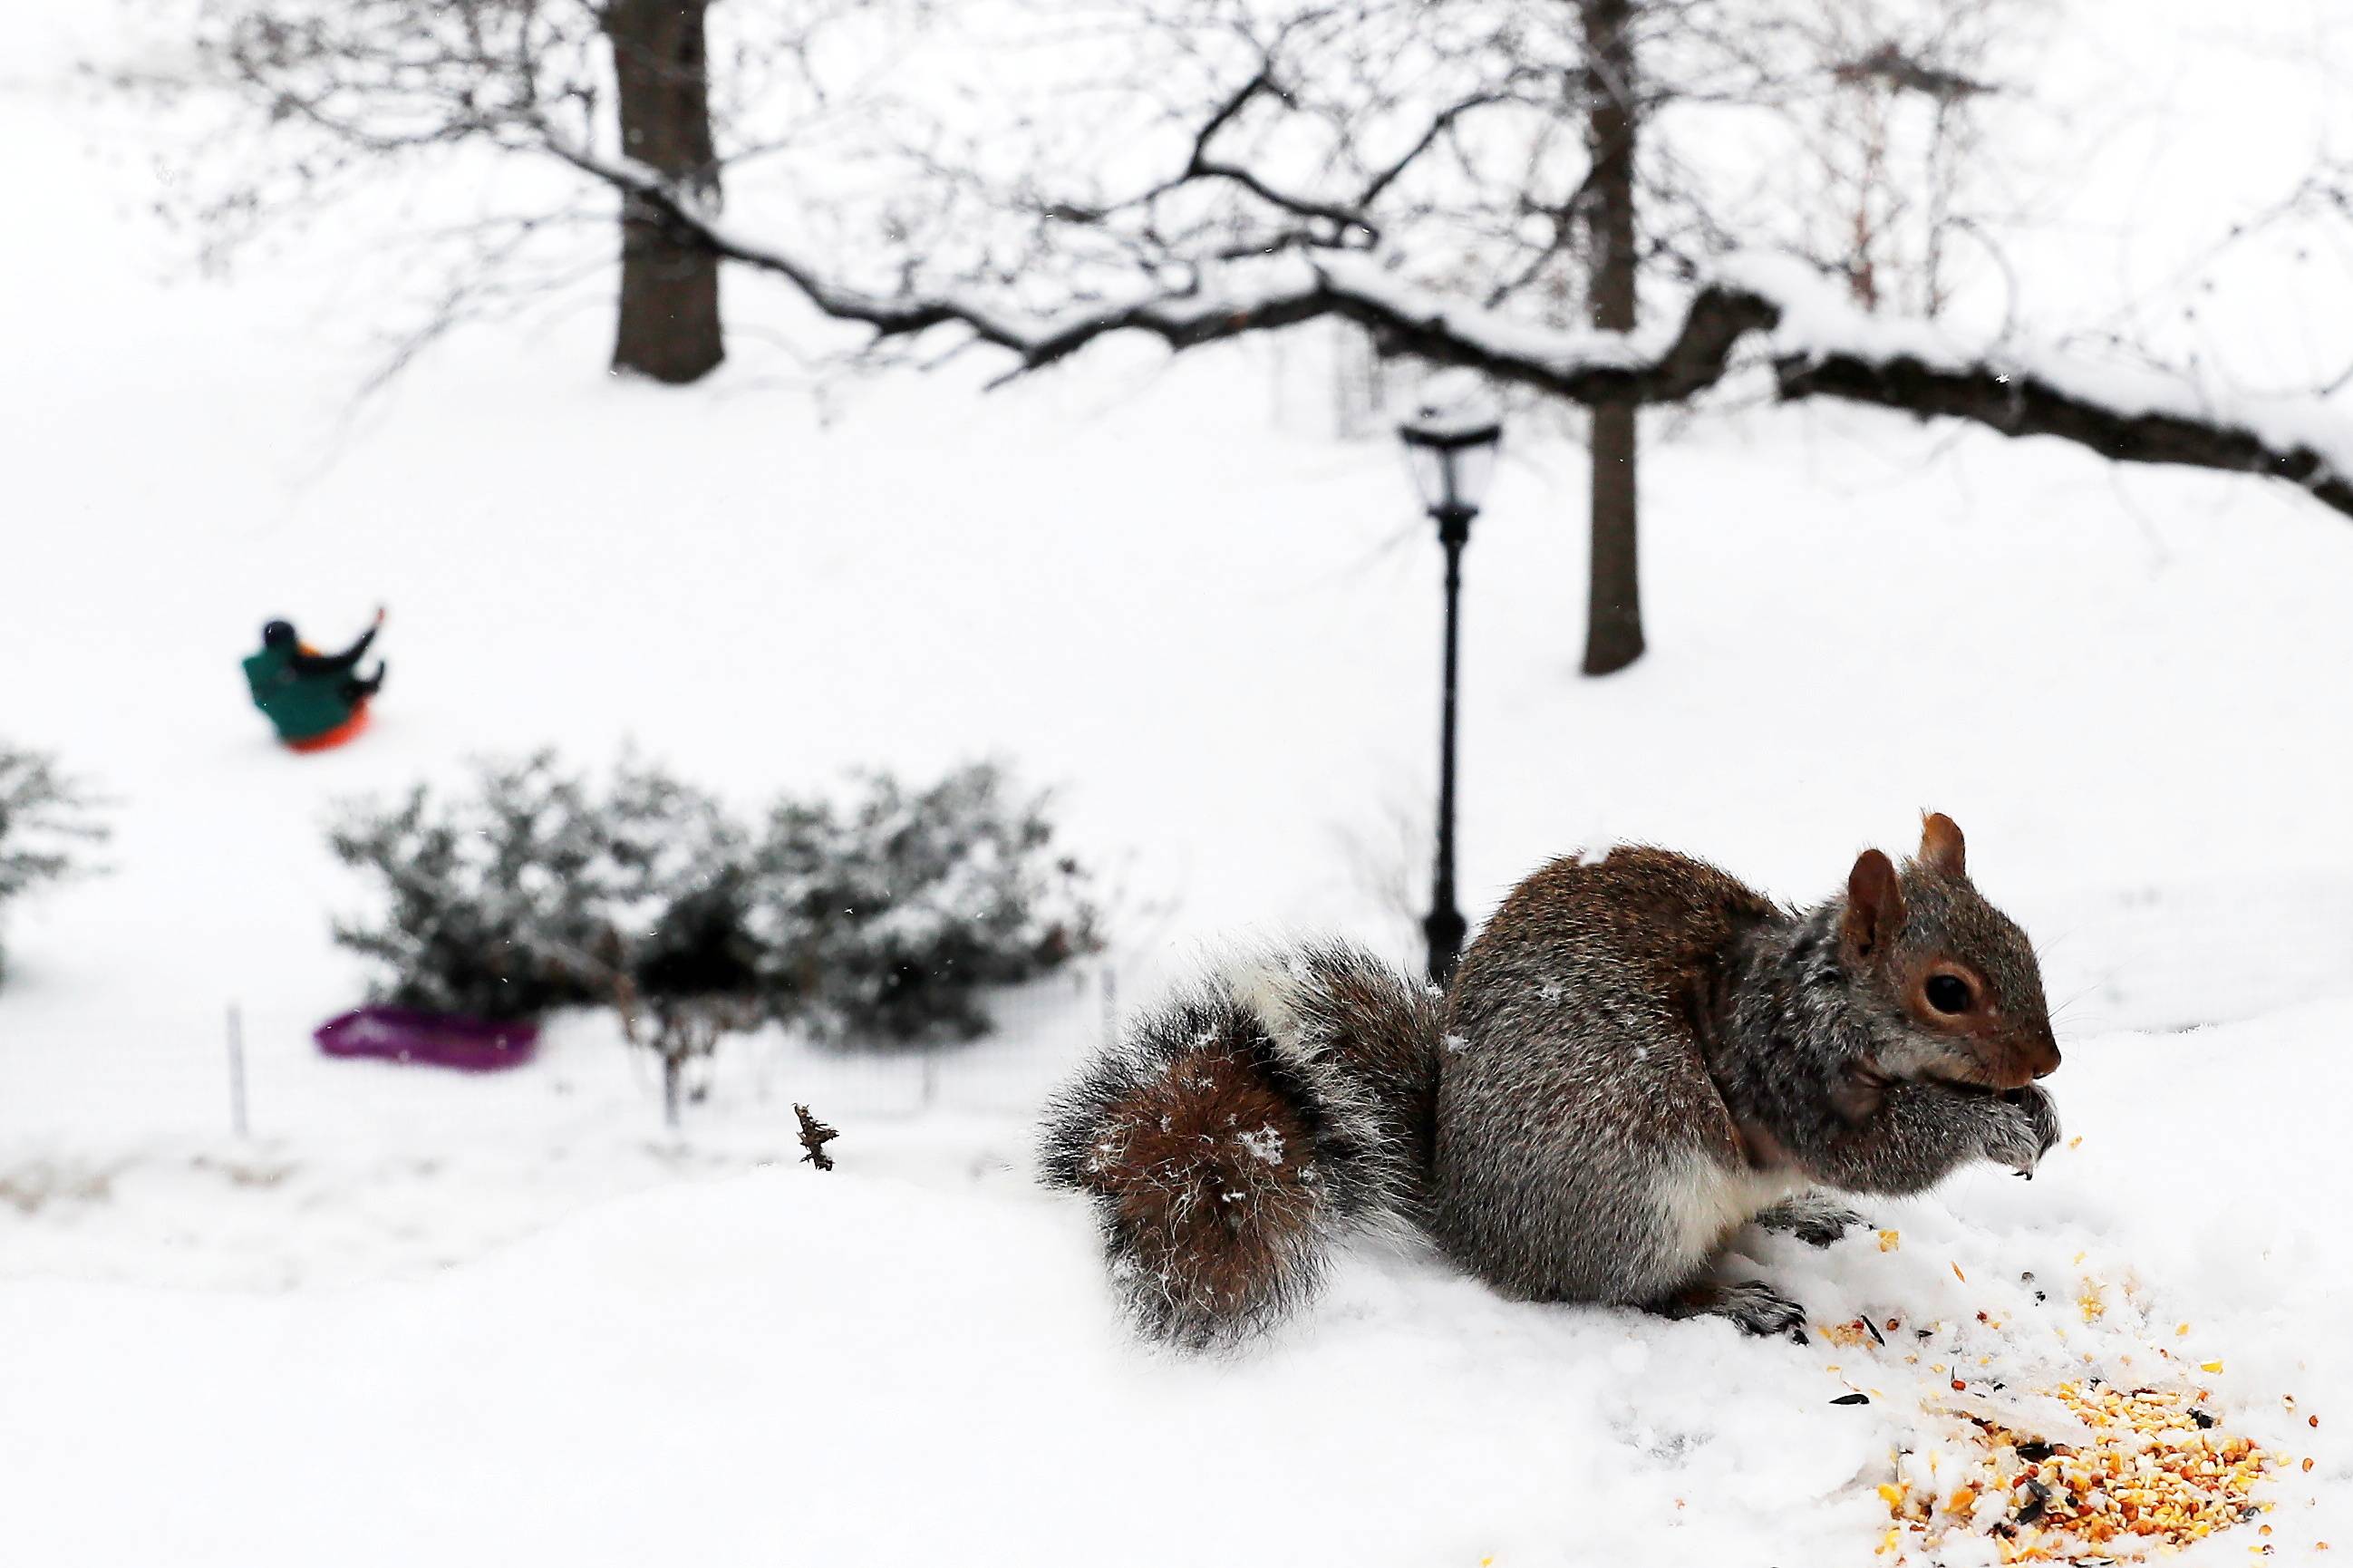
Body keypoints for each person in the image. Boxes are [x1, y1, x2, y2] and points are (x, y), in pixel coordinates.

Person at [243, 609, 389, 751]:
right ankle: (370, 687)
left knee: (316, 684)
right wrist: (374, 628)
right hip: (322, 732)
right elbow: (347, 660)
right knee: (341, 680)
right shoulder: (300, 663)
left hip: (289, 733)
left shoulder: (259, 669)